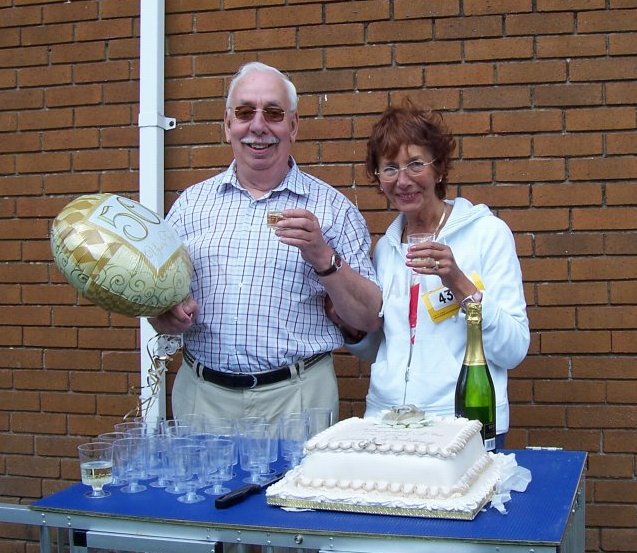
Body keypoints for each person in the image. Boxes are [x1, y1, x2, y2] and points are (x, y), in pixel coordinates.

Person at [149, 62, 382, 425]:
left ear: (293, 126)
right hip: (203, 399)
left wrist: (322, 254)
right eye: (245, 112)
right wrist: (165, 314)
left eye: (273, 113)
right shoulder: (188, 207)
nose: (258, 126)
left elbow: (368, 318)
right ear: (228, 125)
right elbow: (157, 304)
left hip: (298, 399)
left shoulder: (334, 209)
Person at [329, 100, 530, 447]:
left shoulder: (487, 234)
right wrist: (351, 327)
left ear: (439, 169)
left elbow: (513, 349)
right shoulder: (386, 248)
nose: (402, 180)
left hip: (459, 423)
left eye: (415, 164)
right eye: (389, 168)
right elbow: (384, 348)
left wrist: (459, 282)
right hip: (386, 422)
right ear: (378, 179)